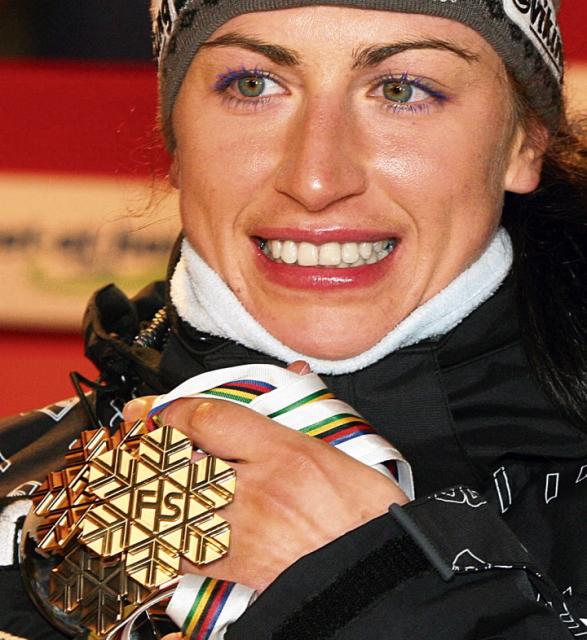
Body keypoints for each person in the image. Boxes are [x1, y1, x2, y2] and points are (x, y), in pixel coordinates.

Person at [1, 1, 586, 638]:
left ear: (524, 143)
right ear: (176, 139)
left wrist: (371, 588)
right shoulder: (17, 480)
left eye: (402, 90)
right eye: (252, 85)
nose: (315, 179)